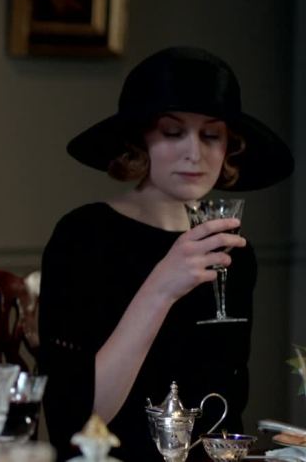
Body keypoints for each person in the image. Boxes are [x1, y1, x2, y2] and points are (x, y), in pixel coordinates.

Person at [37, 47, 294, 461]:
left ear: (228, 146)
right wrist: (161, 287)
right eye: (173, 132)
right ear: (140, 140)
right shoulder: (83, 236)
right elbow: (75, 423)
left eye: (211, 135)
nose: (194, 153)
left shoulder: (234, 252)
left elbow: (227, 414)